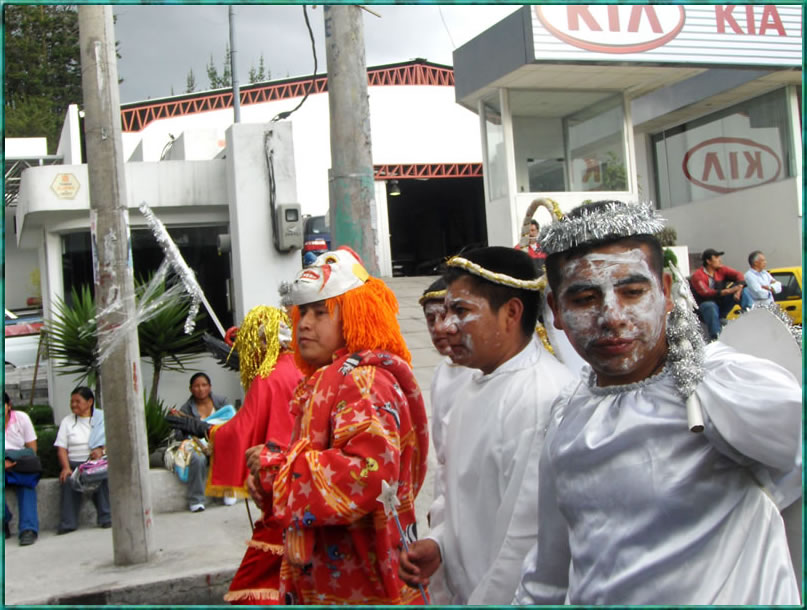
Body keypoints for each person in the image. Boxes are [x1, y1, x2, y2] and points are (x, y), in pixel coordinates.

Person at [515, 200, 801, 604]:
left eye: (632, 292)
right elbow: (550, 571)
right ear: (556, 311)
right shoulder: (567, 412)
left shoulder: (718, 387)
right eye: (583, 299)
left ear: (665, 292)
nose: (611, 316)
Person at [246, 247, 430, 605]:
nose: (304, 324)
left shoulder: (362, 382)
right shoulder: (333, 379)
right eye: (302, 313)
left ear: (355, 316)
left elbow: (367, 474)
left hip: (360, 582)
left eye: (320, 312)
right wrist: (278, 468)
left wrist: (278, 470)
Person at [399, 246, 575, 604]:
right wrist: (440, 544)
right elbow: (463, 497)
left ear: (511, 313)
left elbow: (526, 544)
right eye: (446, 311)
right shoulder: (472, 383)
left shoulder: (542, 397)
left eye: (461, 311)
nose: (446, 326)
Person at [203, 305, 303, 604]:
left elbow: (244, 426)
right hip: (307, 480)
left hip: (278, 482)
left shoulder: (267, 375)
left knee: (255, 584)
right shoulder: (301, 366)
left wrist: (210, 431)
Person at [166, 372, 229, 512]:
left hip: (219, 442)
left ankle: (227, 492)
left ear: (210, 387)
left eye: (204, 385)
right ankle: (196, 500)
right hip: (197, 445)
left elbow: (231, 422)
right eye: (196, 386)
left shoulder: (222, 403)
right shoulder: (186, 409)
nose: (201, 389)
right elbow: (179, 435)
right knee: (197, 458)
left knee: (227, 451)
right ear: (190, 389)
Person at [54, 386, 111, 534]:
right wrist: (66, 468)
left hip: (96, 463)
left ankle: (107, 517)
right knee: (68, 480)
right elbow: (61, 448)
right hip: (74, 464)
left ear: (90, 402)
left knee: (102, 476)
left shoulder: (102, 419)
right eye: (71, 401)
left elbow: (113, 441)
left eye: (77, 401)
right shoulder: (67, 421)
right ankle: (68, 523)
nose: (73, 405)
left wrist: (102, 450)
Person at [690, 247, 753, 340]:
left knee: (744, 291)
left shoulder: (721, 270)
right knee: (709, 305)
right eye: (716, 257)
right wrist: (729, 291)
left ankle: (750, 313)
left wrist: (738, 291)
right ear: (708, 261)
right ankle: (716, 337)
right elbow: (706, 293)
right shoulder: (698, 275)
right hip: (704, 308)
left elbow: (739, 275)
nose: (720, 260)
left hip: (721, 305)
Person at [4, 392, 40, 546]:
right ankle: (3, 520)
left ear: (9, 405)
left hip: (18, 464)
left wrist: (12, 459)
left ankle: (28, 530)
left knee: (27, 485)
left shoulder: (22, 418)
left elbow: (32, 449)